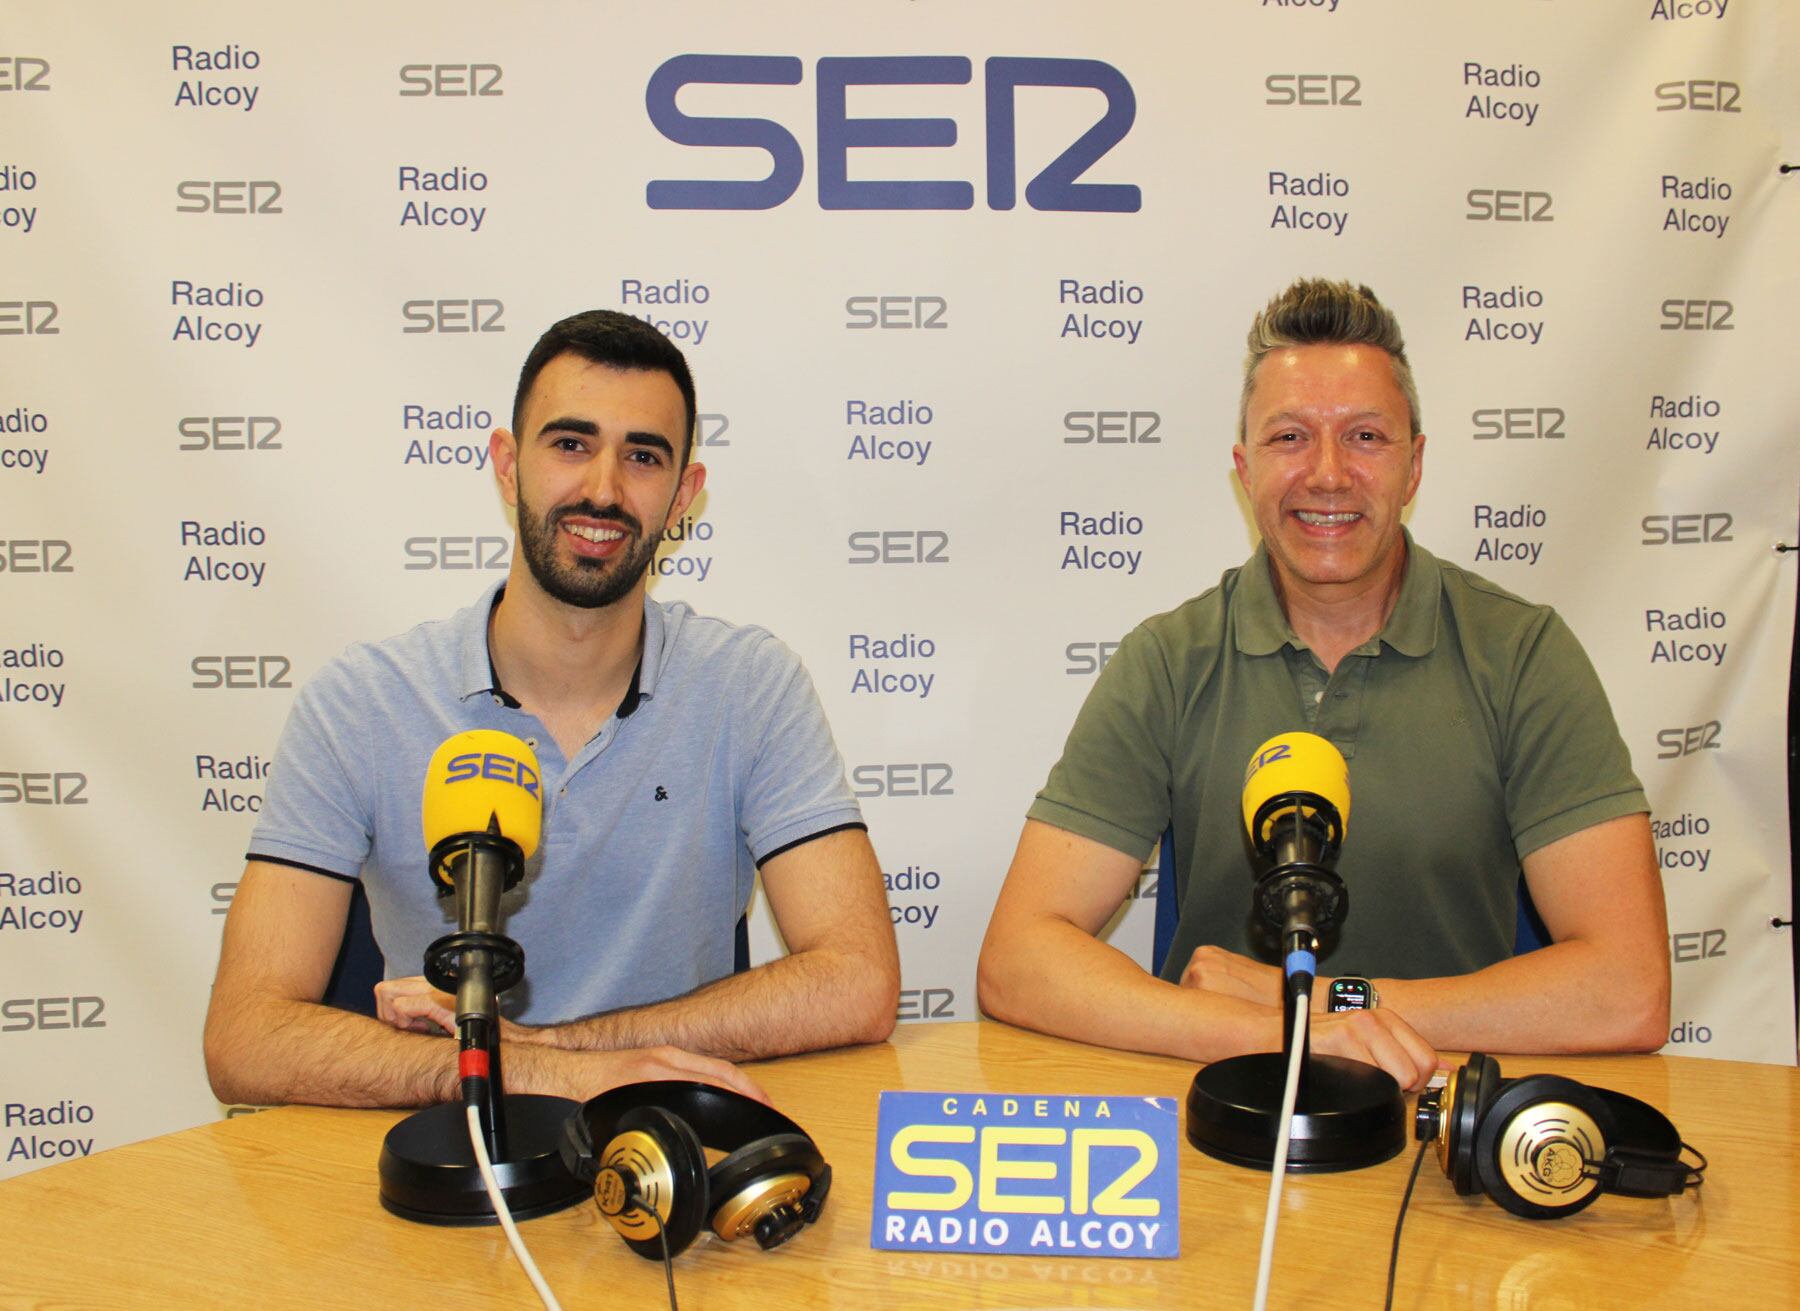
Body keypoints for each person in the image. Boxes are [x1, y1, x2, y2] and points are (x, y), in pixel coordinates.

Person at [977, 278, 1668, 1091]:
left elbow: (1629, 991)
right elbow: (1017, 960)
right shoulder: (1168, 661)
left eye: (1367, 436)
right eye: (1290, 437)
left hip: (1439, 1137)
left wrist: (1329, 1003)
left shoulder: (1522, 655)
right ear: (1244, 469)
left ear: (1414, 465)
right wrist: (1277, 1031)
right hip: (1228, 1122)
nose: (1329, 473)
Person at [205, 310, 899, 1109]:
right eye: (570, 444)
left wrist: (539, 1047)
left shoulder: (749, 685)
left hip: (666, 1154)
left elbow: (859, 980)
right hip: (457, 1163)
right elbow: (244, 1035)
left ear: (684, 495)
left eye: (643, 456)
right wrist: (535, 1073)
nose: (603, 488)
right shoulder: (360, 703)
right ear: (507, 466)